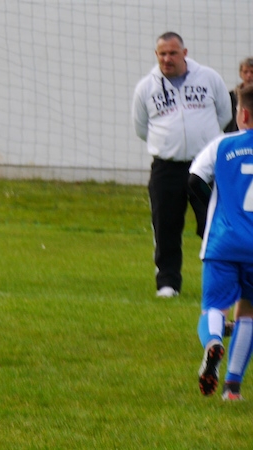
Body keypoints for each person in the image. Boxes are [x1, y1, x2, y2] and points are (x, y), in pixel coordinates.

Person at [132, 31, 232, 298]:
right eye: (162, 54)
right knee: (165, 224)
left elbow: (224, 115)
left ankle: (223, 280)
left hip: (206, 168)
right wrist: (169, 144)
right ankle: (168, 284)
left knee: (214, 224)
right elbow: (141, 128)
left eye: (173, 53)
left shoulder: (209, 78)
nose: (167, 58)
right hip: (166, 168)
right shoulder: (146, 88)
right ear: (156, 55)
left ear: (184, 53)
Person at [189, 84, 253, 401]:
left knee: (214, 307)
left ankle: (214, 341)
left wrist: (212, 213)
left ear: (243, 114)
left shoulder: (222, 144)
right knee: (249, 312)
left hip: (223, 242)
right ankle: (232, 389)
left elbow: (194, 180)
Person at [224, 57, 253, 133]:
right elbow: (225, 116)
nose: (249, 75)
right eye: (245, 72)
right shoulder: (232, 95)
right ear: (240, 74)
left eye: (252, 72)